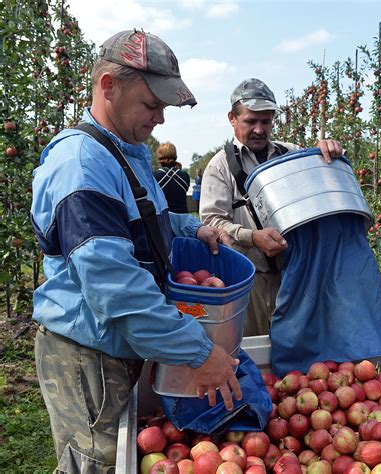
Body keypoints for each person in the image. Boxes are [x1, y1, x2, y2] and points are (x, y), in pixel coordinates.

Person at [30, 29, 241, 473]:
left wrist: (193, 227)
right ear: (109, 85)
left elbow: (146, 222)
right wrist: (200, 354)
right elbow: (117, 290)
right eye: (152, 104)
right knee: (97, 462)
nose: (160, 118)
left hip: (119, 347)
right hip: (89, 356)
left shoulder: (123, 154)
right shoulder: (81, 166)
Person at [199, 78, 342, 336]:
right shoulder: (220, 166)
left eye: (265, 122)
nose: (259, 130)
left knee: (297, 346)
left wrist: (327, 151)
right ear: (232, 118)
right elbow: (212, 222)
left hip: (293, 275)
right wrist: (252, 237)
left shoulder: (290, 155)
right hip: (249, 278)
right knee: (253, 346)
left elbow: (321, 178)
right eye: (250, 121)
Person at [154, 141, 190, 213]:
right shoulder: (185, 175)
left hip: (164, 218)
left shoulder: (154, 176)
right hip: (183, 217)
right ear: (175, 156)